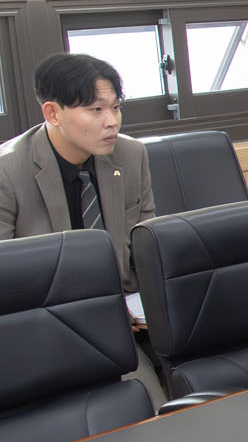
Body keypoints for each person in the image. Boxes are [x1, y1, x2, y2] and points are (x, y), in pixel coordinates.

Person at [0, 53, 155, 293]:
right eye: (96, 109)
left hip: (125, 298)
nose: (112, 121)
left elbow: (148, 248)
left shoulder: (131, 155)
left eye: (115, 108)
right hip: (47, 307)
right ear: (53, 114)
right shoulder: (7, 171)